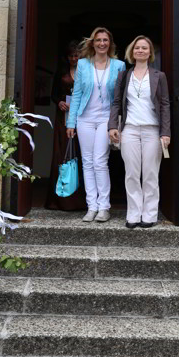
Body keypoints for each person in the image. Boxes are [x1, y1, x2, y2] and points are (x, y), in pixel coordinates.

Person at [108, 36, 170, 229]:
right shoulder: (124, 76)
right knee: (132, 174)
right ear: (132, 52)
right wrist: (112, 126)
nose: (140, 51)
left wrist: (165, 132)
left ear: (150, 53)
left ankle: (149, 214)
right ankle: (133, 214)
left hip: (152, 130)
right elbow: (116, 102)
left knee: (151, 173)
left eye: (144, 48)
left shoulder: (159, 76)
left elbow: (165, 105)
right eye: (137, 48)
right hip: (130, 130)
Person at [66, 27, 125, 223]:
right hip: (84, 118)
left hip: (106, 120)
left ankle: (104, 207)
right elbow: (76, 95)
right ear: (93, 43)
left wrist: (118, 123)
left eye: (105, 40)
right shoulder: (83, 64)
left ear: (110, 43)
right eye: (98, 40)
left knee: (100, 162)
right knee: (87, 162)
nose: (102, 43)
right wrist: (71, 122)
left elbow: (121, 97)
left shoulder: (119, 65)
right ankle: (91, 206)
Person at [45, 41, 86, 211]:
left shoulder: (86, 71)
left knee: (82, 153)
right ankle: (59, 199)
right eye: (71, 56)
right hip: (63, 116)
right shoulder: (61, 72)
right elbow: (53, 94)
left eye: (76, 55)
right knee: (62, 153)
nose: (73, 59)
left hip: (83, 115)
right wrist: (60, 102)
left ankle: (81, 200)